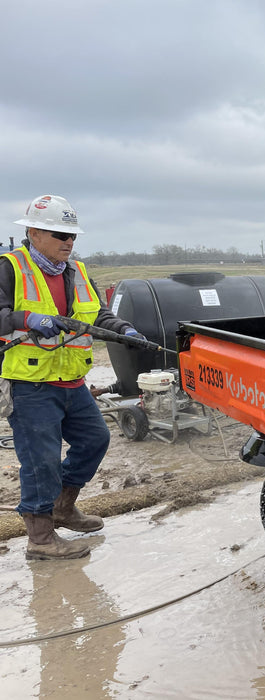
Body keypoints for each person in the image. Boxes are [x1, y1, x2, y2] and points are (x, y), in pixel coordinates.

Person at [0, 194, 143, 560]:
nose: (68, 242)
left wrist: (124, 329)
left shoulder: (76, 272)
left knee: (95, 440)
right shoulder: (9, 268)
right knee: (40, 460)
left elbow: (96, 316)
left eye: (72, 236)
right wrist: (26, 319)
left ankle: (63, 507)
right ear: (33, 233)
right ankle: (41, 539)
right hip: (31, 385)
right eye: (59, 234)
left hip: (73, 382)